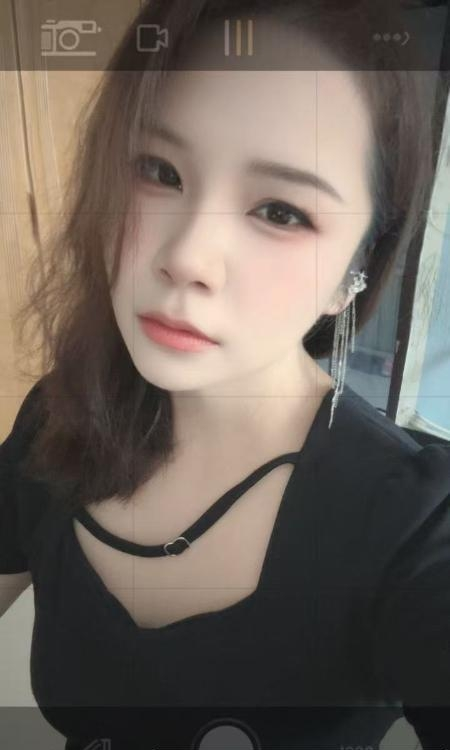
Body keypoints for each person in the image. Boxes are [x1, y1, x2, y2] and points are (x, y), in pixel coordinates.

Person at [1, 1, 449, 748]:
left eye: (280, 211)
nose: (186, 257)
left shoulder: (415, 524)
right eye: (158, 171)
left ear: (357, 270)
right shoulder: (61, 414)